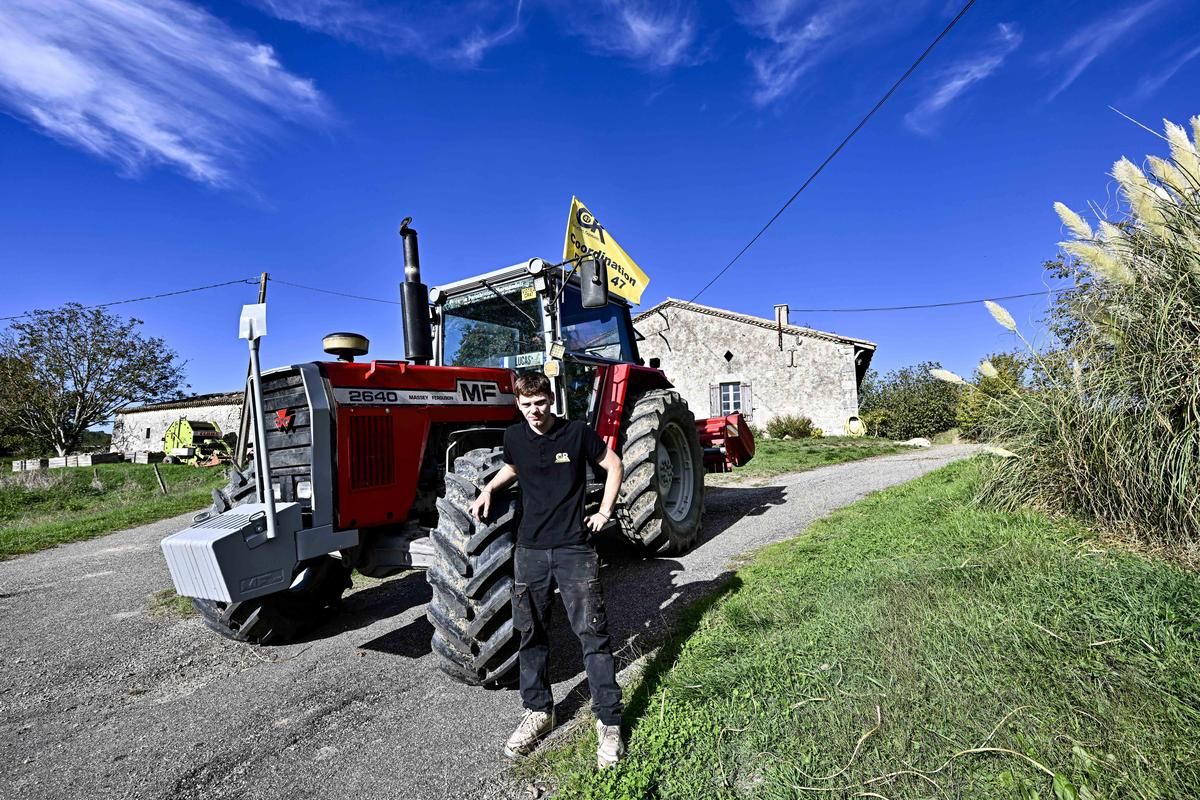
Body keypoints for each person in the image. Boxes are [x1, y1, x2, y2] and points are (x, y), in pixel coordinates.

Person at [470, 370, 626, 768]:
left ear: (550, 400)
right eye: (526, 405)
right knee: (530, 633)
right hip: (530, 551)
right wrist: (489, 488)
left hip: (574, 549)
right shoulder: (514, 437)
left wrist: (604, 512)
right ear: (518, 405)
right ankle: (539, 711)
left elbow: (614, 465)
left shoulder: (576, 433)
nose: (534, 411)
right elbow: (513, 467)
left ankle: (608, 720)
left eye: (540, 403)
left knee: (592, 633)